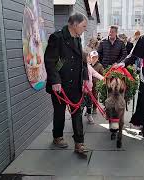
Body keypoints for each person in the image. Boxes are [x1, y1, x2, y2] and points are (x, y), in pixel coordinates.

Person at [44, 13, 89, 154]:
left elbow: (83, 61)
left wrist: (85, 77)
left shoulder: (77, 38)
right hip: (60, 85)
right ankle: (57, 137)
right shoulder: (57, 37)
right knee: (59, 112)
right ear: (75, 24)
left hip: (75, 84)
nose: (85, 29)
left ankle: (79, 143)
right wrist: (55, 81)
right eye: (84, 26)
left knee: (77, 112)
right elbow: (50, 61)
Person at [83, 51, 104, 124]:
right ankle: (78, 117)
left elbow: (96, 73)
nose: (89, 59)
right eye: (88, 58)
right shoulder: (80, 67)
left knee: (89, 104)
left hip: (90, 90)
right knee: (81, 105)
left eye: (88, 57)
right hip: (82, 91)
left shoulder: (89, 67)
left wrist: (104, 79)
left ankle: (89, 115)